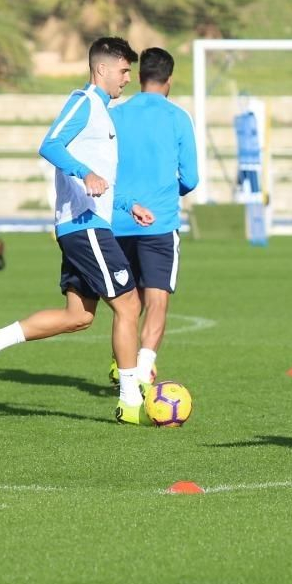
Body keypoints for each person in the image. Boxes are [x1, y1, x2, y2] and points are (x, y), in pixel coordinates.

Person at [0, 37, 156, 423]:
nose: (127, 79)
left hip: (87, 224)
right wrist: (83, 172)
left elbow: (102, 182)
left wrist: (127, 205)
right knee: (129, 304)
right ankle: (130, 401)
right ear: (101, 69)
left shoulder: (104, 114)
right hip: (84, 226)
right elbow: (50, 143)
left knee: (79, 316)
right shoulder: (84, 102)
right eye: (123, 71)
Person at [107, 46, 200, 387]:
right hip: (159, 222)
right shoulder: (178, 117)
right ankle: (143, 370)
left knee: (126, 306)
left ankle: (124, 367)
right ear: (169, 79)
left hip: (118, 222)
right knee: (157, 299)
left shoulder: (116, 115)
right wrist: (167, 191)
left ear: (139, 76)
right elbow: (191, 178)